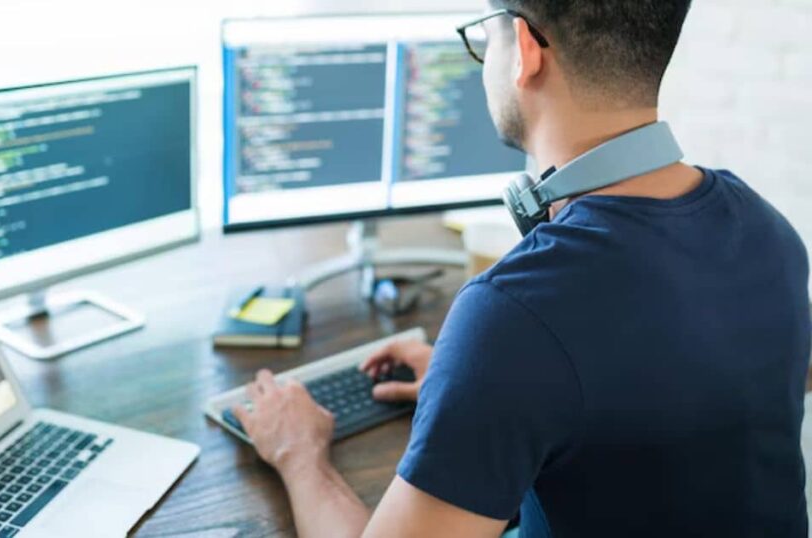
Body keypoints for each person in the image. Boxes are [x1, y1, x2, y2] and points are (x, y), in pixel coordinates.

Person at [232, 0, 811, 536]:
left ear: (525, 49)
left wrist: (299, 454)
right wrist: (483, 389)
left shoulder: (514, 317)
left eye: (483, 40)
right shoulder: (768, 229)